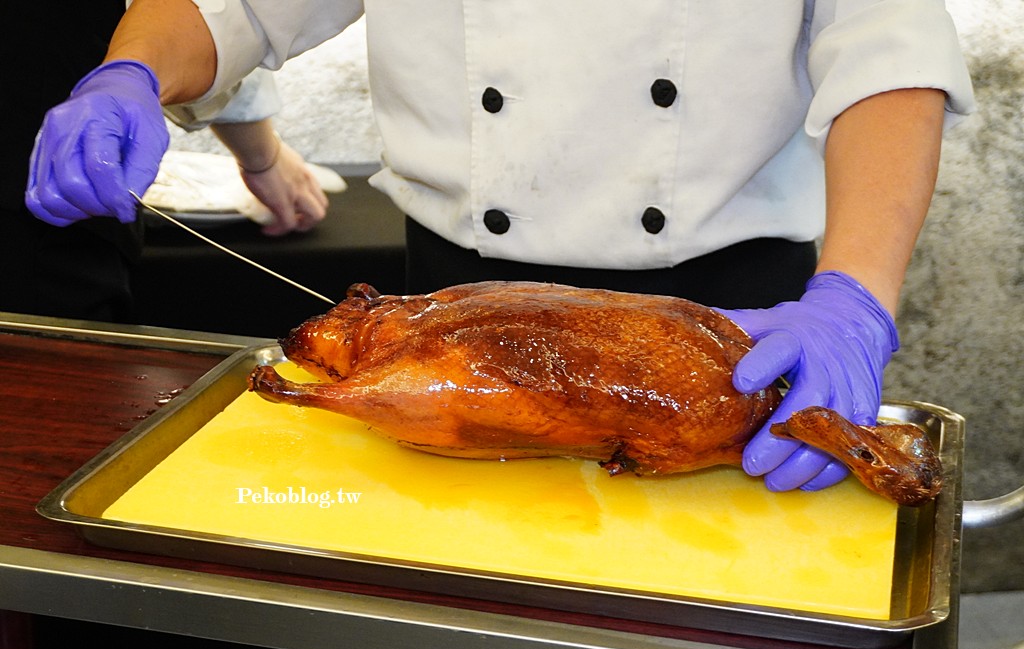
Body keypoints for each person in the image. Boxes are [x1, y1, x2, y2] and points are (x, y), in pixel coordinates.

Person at [23, 0, 974, 494]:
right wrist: (132, 69)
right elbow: (231, 7)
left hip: (731, 316)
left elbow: (888, 50)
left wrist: (856, 294)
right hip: (451, 311)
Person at [0, 2, 328, 324]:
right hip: (43, 208)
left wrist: (133, 72)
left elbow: (223, 14)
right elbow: (223, 13)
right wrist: (259, 152)